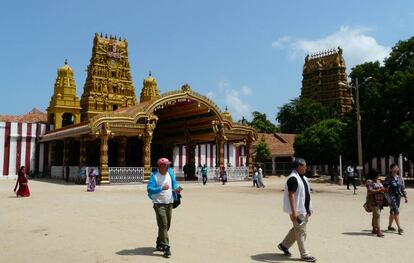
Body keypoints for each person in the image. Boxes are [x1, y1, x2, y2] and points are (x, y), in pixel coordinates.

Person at [278, 158, 316, 262]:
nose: (306, 168)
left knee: (297, 229)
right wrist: (294, 212)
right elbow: (291, 195)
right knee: (301, 231)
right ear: (299, 166)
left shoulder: (302, 178)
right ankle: (304, 254)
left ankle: (284, 245)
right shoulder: (293, 179)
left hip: (304, 209)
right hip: (298, 211)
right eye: (305, 166)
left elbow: (305, 194)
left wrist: (309, 208)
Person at [147, 158, 182, 258]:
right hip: (159, 204)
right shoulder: (154, 176)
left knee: (166, 226)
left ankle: (159, 242)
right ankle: (166, 247)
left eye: (168, 165)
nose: (168, 167)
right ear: (161, 166)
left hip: (169, 203)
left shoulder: (170, 173)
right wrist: (160, 188)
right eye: (166, 165)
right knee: (163, 224)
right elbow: (149, 189)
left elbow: (174, 183)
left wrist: (178, 189)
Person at [384, 163, 408, 235]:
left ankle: (389, 226)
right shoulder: (388, 178)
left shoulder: (400, 178)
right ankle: (399, 228)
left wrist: (405, 196)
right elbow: (385, 187)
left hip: (398, 197)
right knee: (396, 211)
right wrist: (386, 188)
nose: (395, 169)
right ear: (391, 169)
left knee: (392, 211)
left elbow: (402, 188)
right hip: (391, 197)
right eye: (394, 168)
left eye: (396, 168)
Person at [366, 169, 386, 237]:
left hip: (380, 201)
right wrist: (380, 190)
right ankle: (379, 230)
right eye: (378, 175)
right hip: (373, 200)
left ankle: (374, 228)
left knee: (375, 215)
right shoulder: (369, 181)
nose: (379, 176)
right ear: (374, 175)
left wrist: (385, 189)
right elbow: (370, 191)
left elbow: (383, 188)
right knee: (377, 215)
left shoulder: (379, 181)